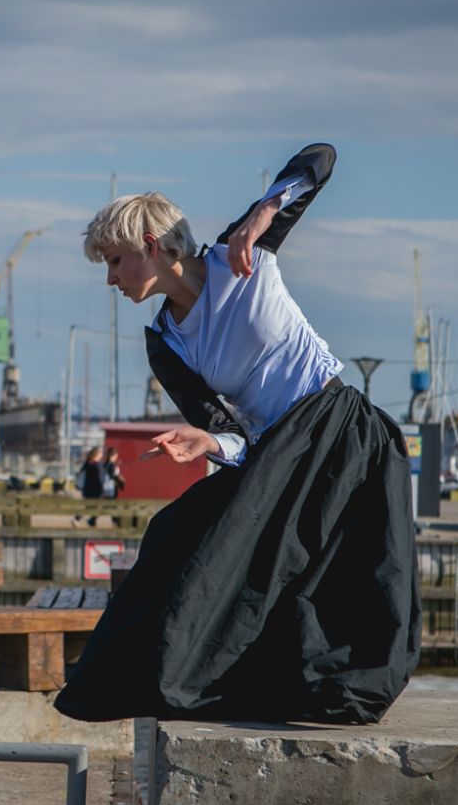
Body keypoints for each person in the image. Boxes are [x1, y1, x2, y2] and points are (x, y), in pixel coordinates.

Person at [54, 144, 421, 726]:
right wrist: (207, 443)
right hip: (278, 449)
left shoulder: (240, 253)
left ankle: (315, 686)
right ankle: (155, 682)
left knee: (292, 567)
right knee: (176, 534)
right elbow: (228, 431)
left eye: (114, 261)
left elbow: (321, 158)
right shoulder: (166, 343)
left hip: (339, 430)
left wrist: (265, 211)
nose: (110, 280)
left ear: (151, 247)